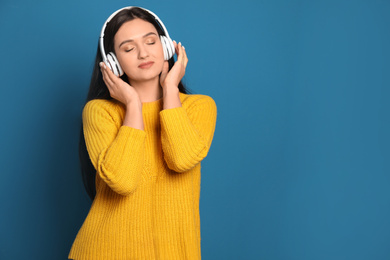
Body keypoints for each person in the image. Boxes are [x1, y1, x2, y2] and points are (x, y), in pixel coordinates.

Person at [68, 6, 217, 260]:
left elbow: (180, 159)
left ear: (167, 47)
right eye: (128, 48)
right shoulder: (100, 112)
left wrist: (170, 88)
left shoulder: (199, 107)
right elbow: (122, 181)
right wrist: (133, 105)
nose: (143, 53)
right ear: (113, 62)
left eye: (150, 41)